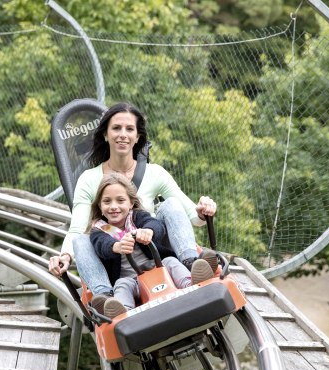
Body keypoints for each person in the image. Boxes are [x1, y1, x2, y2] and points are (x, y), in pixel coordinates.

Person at [48, 102, 217, 301]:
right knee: (81, 239)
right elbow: (77, 229)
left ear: (137, 137)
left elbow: (192, 216)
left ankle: (191, 263)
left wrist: (203, 209)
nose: (123, 134)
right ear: (105, 134)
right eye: (116, 128)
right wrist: (65, 256)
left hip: (153, 252)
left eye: (129, 129)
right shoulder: (88, 179)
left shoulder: (155, 173)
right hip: (117, 261)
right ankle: (105, 297)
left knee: (169, 204)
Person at [88, 174, 214, 318]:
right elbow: (101, 245)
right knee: (121, 284)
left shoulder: (136, 217)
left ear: (130, 203)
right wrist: (116, 246)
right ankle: (122, 311)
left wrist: (148, 231)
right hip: (132, 280)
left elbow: (156, 224)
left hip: (158, 268)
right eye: (107, 202)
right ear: (100, 205)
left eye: (120, 200)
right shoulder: (99, 230)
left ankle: (191, 282)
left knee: (171, 262)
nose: (113, 207)